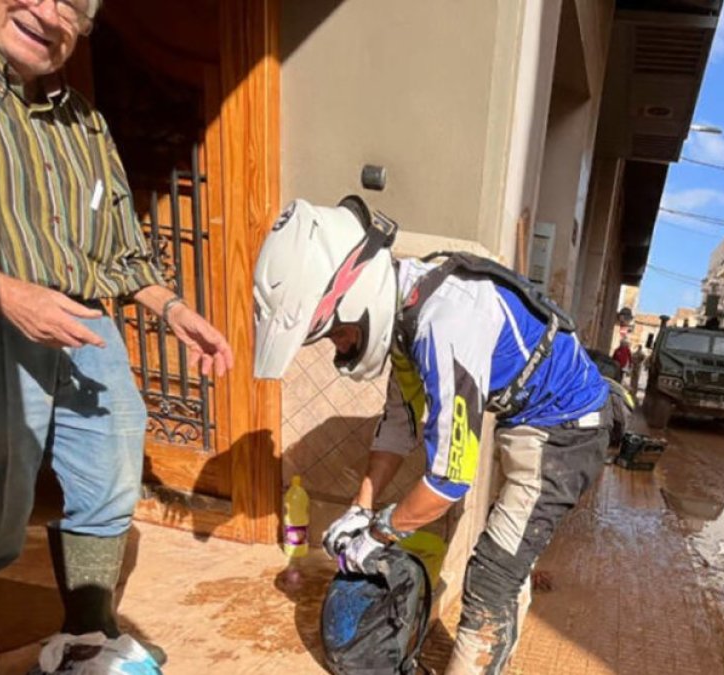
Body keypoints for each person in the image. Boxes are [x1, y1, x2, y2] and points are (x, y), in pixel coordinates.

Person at [253, 198, 610, 674]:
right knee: (507, 557)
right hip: (528, 423)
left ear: (355, 297)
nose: (340, 346)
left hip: (566, 431)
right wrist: (360, 509)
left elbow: (448, 482)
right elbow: (398, 426)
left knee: (490, 577)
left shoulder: (447, 324)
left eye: (335, 333)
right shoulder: (409, 314)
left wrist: (380, 532)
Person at [0, 0, 233, 659]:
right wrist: (6, 293)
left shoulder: (83, 121)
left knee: (111, 466)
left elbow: (119, 249)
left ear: (85, 29)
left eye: (72, 5)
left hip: (85, 322)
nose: (47, 11)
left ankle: (87, 632)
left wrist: (174, 311)